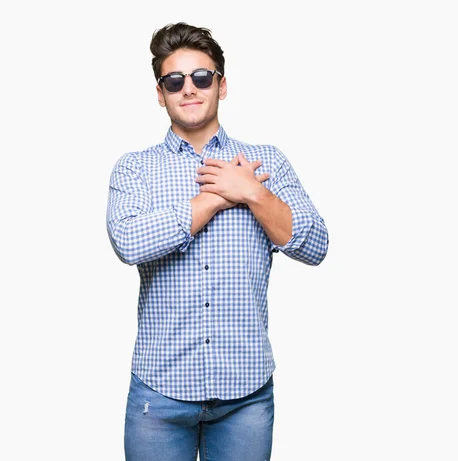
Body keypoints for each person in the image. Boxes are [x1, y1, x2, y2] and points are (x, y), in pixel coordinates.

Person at [106, 22, 328, 461]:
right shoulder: (135, 169)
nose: (189, 88)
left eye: (201, 77)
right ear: (160, 92)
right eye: (175, 80)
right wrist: (212, 199)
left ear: (221, 86)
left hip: (245, 395)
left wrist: (253, 193)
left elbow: (315, 244)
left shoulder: (265, 165)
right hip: (160, 393)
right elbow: (129, 241)